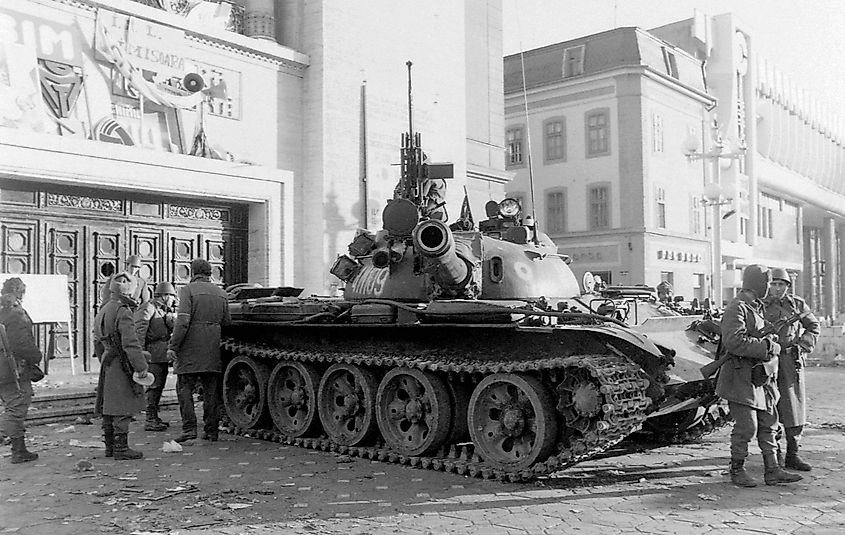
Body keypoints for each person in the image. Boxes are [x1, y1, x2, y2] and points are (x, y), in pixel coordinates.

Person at [716, 264, 802, 487]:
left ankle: (773, 470)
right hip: (739, 376)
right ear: (757, 284)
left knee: (769, 422)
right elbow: (734, 342)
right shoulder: (737, 308)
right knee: (747, 426)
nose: (770, 287)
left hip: (759, 377)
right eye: (767, 282)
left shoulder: (754, 307)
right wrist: (768, 347)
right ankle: (737, 469)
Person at [763, 267, 820, 472]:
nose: (778, 289)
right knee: (772, 407)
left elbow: (813, 326)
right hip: (768, 361)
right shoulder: (760, 304)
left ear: (788, 286)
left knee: (794, 406)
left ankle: (793, 454)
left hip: (790, 361)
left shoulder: (796, 304)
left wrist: (802, 346)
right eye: (774, 284)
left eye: (782, 285)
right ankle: (774, 454)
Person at [168, 258, 231, 443]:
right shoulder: (221, 293)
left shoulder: (187, 290)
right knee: (211, 391)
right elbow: (227, 322)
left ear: (193, 273)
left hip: (190, 348)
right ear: (209, 273)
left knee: (184, 388)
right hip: (212, 348)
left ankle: (189, 429)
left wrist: (173, 346)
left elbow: (183, 321)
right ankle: (211, 431)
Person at [94, 271, 150, 460]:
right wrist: (141, 366)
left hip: (108, 362)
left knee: (108, 406)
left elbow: (97, 342)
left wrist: (105, 358)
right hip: (120, 363)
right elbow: (130, 343)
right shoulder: (123, 311)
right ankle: (120, 448)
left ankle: (110, 447)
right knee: (122, 406)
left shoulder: (104, 309)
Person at [0, 278, 43, 464]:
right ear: (21, 293)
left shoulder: (2, 311)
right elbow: (21, 344)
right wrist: (37, 357)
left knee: (11, 406)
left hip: (3, 370)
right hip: (14, 369)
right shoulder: (16, 314)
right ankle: (18, 451)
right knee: (16, 407)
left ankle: (19, 448)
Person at [135, 282, 178, 432]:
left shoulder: (163, 310)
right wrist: (140, 353)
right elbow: (139, 331)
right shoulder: (148, 308)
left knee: (159, 386)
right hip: (152, 353)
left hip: (161, 354)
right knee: (153, 386)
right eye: (172, 296)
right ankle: (150, 419)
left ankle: (154, 416)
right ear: (165, 296)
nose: (173, 300)